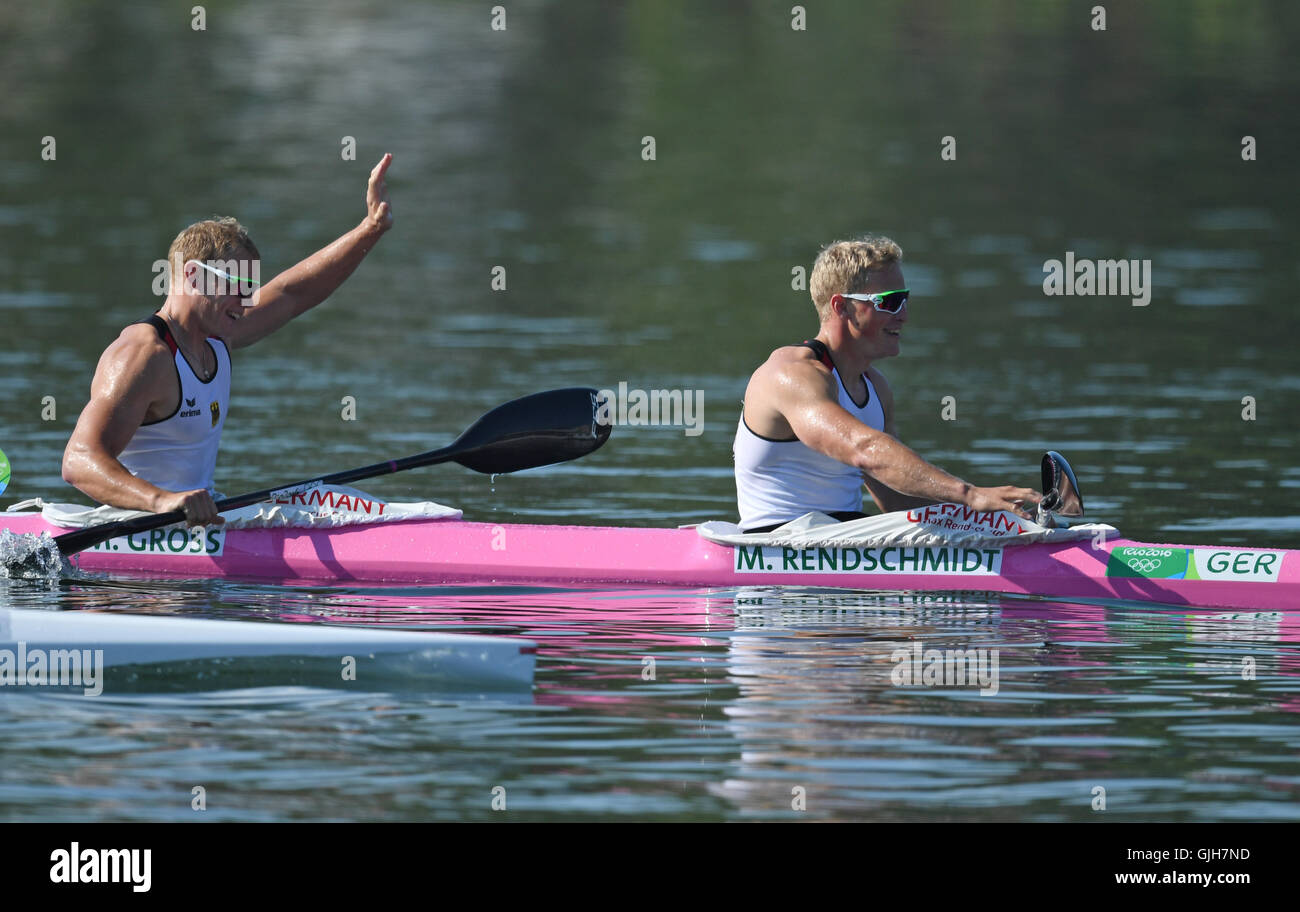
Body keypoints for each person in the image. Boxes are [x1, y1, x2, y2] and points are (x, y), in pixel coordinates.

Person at [61, 154, 395, 526]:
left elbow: (294, 293)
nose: (248, 301)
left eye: (251, 288)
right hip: (138, 522)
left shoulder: (219, 335)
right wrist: (164, 501)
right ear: (193, 276)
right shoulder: (143, 355)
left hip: (200, 516)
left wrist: (370, 229)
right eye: (239, 287)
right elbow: (78, 460)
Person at [734, 236, 1040, 532]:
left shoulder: (876, 388)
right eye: (890, 302)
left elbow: (897, 499)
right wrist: (969, 494)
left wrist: (1000, 521)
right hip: (775, 545)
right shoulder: (791, 374)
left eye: (904, 300)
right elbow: (863, 448)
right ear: (842, 307)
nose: (904, 316)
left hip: (843, 538)